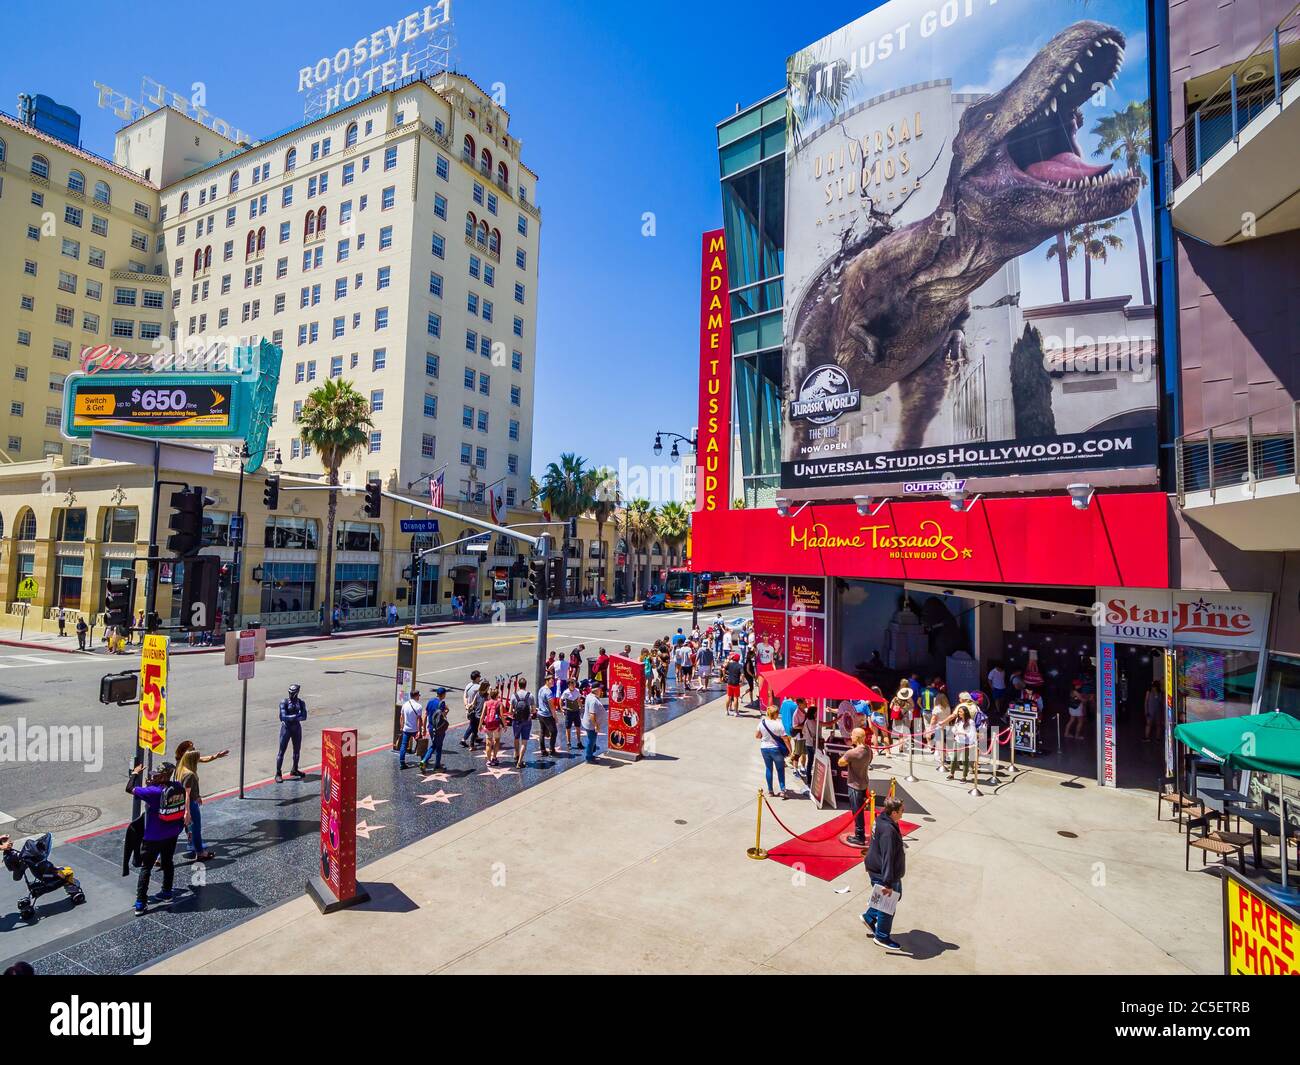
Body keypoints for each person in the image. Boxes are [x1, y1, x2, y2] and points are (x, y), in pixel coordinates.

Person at [126, 761, 188, 915]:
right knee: (168, 862)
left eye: (157, 775)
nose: (154, 776)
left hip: (153, 836)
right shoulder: (177, 786)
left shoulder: (153, 792)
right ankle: (167, 893)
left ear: (163, 776)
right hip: (172, 833)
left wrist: (135, 773)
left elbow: (129, 788)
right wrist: (151, 785)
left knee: (146, 868)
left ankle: (141, 902)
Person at [861, 797, 908, 952]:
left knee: (895, 895)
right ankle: (881, 936)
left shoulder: (882, 819)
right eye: (901, 810)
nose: (903, 812)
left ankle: (869, 917)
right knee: (888, 904)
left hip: (876, 867)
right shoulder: (888, 831)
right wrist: (887, 882)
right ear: (893, 812)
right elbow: (887, 856)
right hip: (885, 872)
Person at [173, 741, 228, 862]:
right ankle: (200, 852)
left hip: (179, 803)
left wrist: (215, 756)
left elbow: (202, 758)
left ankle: (160, 856)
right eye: (191, 749)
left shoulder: (181, 765)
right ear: (185, 753)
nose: (194, 750)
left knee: (175, 830)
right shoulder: (190, 774)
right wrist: (188, 811)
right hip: (190, 804)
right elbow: (187, 794)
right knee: (195, 828)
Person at [839, 728, 874, 846]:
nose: (851, 737)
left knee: (857, 811)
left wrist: (846, 754)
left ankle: (859, 836)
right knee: (860, 810)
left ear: (857, 738)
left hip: (855, 786)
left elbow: (840, 762)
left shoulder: (852, 753)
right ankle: (860, 834)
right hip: (864, 783)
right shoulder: (868, 750)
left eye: (852, 735)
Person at [756, 703, 790, 797]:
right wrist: (790, 750)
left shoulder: (762, 723)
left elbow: (757, 736)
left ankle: (770, 791)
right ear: (775, 714)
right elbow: (785, 739)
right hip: (775, 749)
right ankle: (783, 790)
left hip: (764, 748)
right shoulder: (779, 724)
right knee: (780, 769)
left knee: (768, 769)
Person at [275, 683, 307, 782]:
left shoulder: (301, 702)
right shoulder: (284, 702)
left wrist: (293, 717)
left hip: (296, 728)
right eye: (290, 692)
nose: (291, 694)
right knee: (281, 751)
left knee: (297, 751)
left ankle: (295, 769)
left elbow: (304, 716)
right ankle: (278, 773)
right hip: (286, 728)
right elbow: (283, 717)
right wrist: (296, 716)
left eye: (293, 692)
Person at [419, 688, 450, 771]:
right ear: (443, 694)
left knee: (434, 744)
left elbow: (425, 715)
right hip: (439, 729)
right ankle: (430, 763)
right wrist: (447, 710)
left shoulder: (430, 701)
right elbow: (443, 716)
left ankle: (428, 762)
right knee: (437, 747)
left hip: (430, 727)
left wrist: (424, 728)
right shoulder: (441, 704)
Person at [510, 678, 537, 769]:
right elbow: (533, 711)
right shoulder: (530, 696)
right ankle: (520, 761)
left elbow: (510, 711)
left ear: (518, 685)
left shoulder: (514, 696)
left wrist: (515, 711)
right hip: (527, 721)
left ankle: (516, 754)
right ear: (526, 685)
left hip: (516, 721)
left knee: (516, 738)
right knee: (524, 742)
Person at [948, 702, 977, 782]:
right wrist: (955, 732)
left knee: (965, 760)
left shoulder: (970, 722)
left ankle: (964, 776)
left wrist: (965, 734)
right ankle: (951, 774)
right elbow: (954, 729)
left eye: (961, 712)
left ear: (965, 712)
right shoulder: (958, 720)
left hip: (966, 743)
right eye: (959, 711)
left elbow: (973, 733)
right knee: (954, 758)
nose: (959, 713)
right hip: (958, 741)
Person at [398, 689, 424, 769]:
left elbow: (401, 717)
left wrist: (402, 727)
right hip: (415, 730)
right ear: (416, 696)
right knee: (421, 746)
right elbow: (419, 720)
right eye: (418, 695)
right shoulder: (418, 706)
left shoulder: (405, 705)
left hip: (406, 729)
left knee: (403, 746)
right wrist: (419, 731)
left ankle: (402, 763)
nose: (419, 697)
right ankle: (423, 762)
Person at [482, 686, 504, 766]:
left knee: (488, 743)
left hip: (488, 725)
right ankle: (494, 757)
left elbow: (483, 715)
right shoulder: (499, 703)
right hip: (496, 725)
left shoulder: (486, 703)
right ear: (497, 695)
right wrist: (504, 725)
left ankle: (488, 760)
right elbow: (501, 715)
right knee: (497, 741)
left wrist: (480, 725)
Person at [536, 676, 558, 756]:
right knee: (554, 732)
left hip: (540, 714)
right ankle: (552, 749)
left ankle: (543, 750)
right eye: (551, 681)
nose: (553, 682)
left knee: (542, 732)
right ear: (547, 681)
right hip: (547, 715)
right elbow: (552, 706)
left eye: (553, 681)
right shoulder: (548, 692)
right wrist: (555, 717)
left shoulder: (541, 689)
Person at [461, 671, 484, 749]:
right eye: (479, 677)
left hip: (469, 709)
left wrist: (466, 705)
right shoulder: (478, 687)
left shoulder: (468, 686)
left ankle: (476, 737)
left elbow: (464, 696)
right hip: (475, 709)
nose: (480, 678)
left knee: (473, 724)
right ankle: (464, 739)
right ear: (477, 678)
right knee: (473, 725)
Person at [582, 683, 604, 763]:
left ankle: (591, 754)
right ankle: (589, 757)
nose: (601, 690)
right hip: (591, 725)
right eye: (600, 688)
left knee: (591, 740)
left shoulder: (590, 696)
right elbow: (592, 714)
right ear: (596, 689)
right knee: (591, 741)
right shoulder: (593, 700)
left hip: (589, 723)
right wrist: (596, 725)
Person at [561, 678, 584, 752]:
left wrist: (581, 707)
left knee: (578, 727)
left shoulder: (577, 691)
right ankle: (568, 743)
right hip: (569, 712)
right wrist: (561, 708)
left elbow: (578, 699)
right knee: (568, 728)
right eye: (572, 684)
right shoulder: (566, 692)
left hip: (576, 711)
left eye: (574, 684)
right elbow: (561, 699)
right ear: (569, 685)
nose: (574, 685)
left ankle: (579, 742)